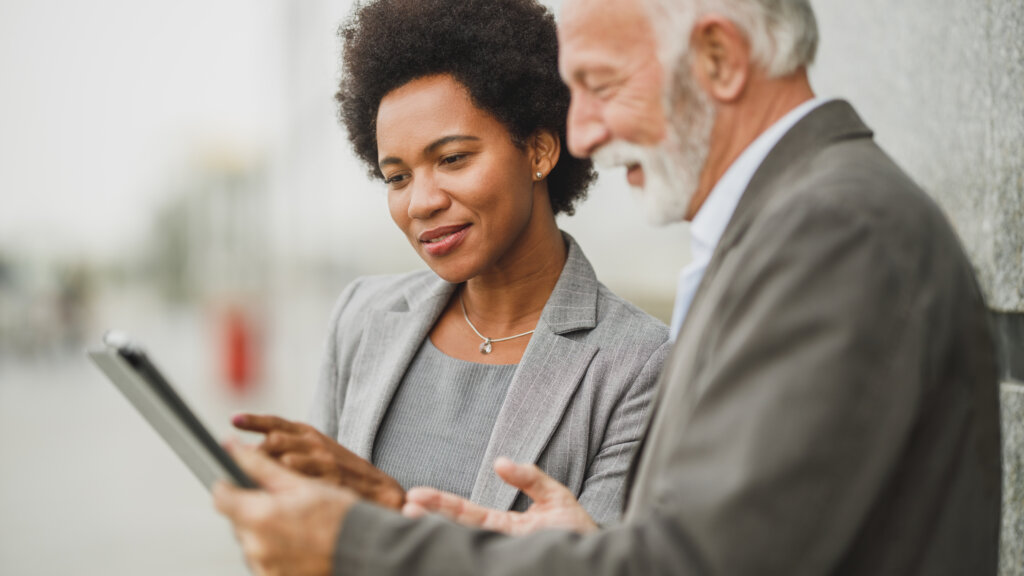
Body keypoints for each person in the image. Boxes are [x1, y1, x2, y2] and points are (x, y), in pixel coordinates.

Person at [213, 0, 1003, 574]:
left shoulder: (836, 234)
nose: (582, 131)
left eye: (599, 83)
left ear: (720, 59)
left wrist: (354, 543)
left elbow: (697, 562)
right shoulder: (798, 226)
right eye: (396, 174)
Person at [229, 0, 670, 524]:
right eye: (397, 177)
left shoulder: (642, 365)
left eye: (453, 159)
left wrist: (390, 511)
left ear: (539, 151)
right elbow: (305, 531)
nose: (421, 202)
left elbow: (612, 563)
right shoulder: (362, 317)